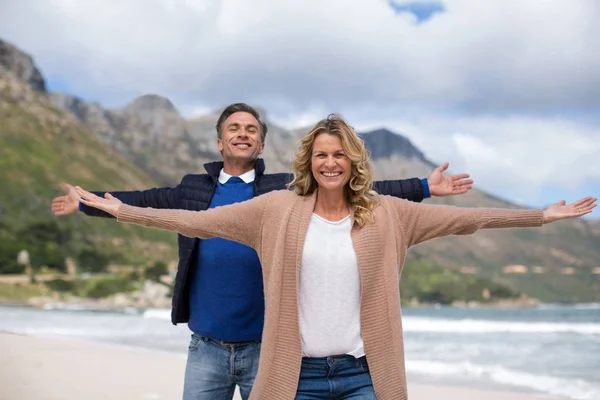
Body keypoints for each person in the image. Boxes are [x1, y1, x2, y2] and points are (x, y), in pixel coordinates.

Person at [73, 113, 596, 400]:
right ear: (309, 161)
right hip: (295, 377)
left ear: (353, 161)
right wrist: (124, 211)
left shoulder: (389, 213)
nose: (330, 162)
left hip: (364, 376)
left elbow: (468, 219)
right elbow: (196, 222)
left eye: (339, 154)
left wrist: (539, 217)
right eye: (321, 154)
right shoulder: (274, 208)